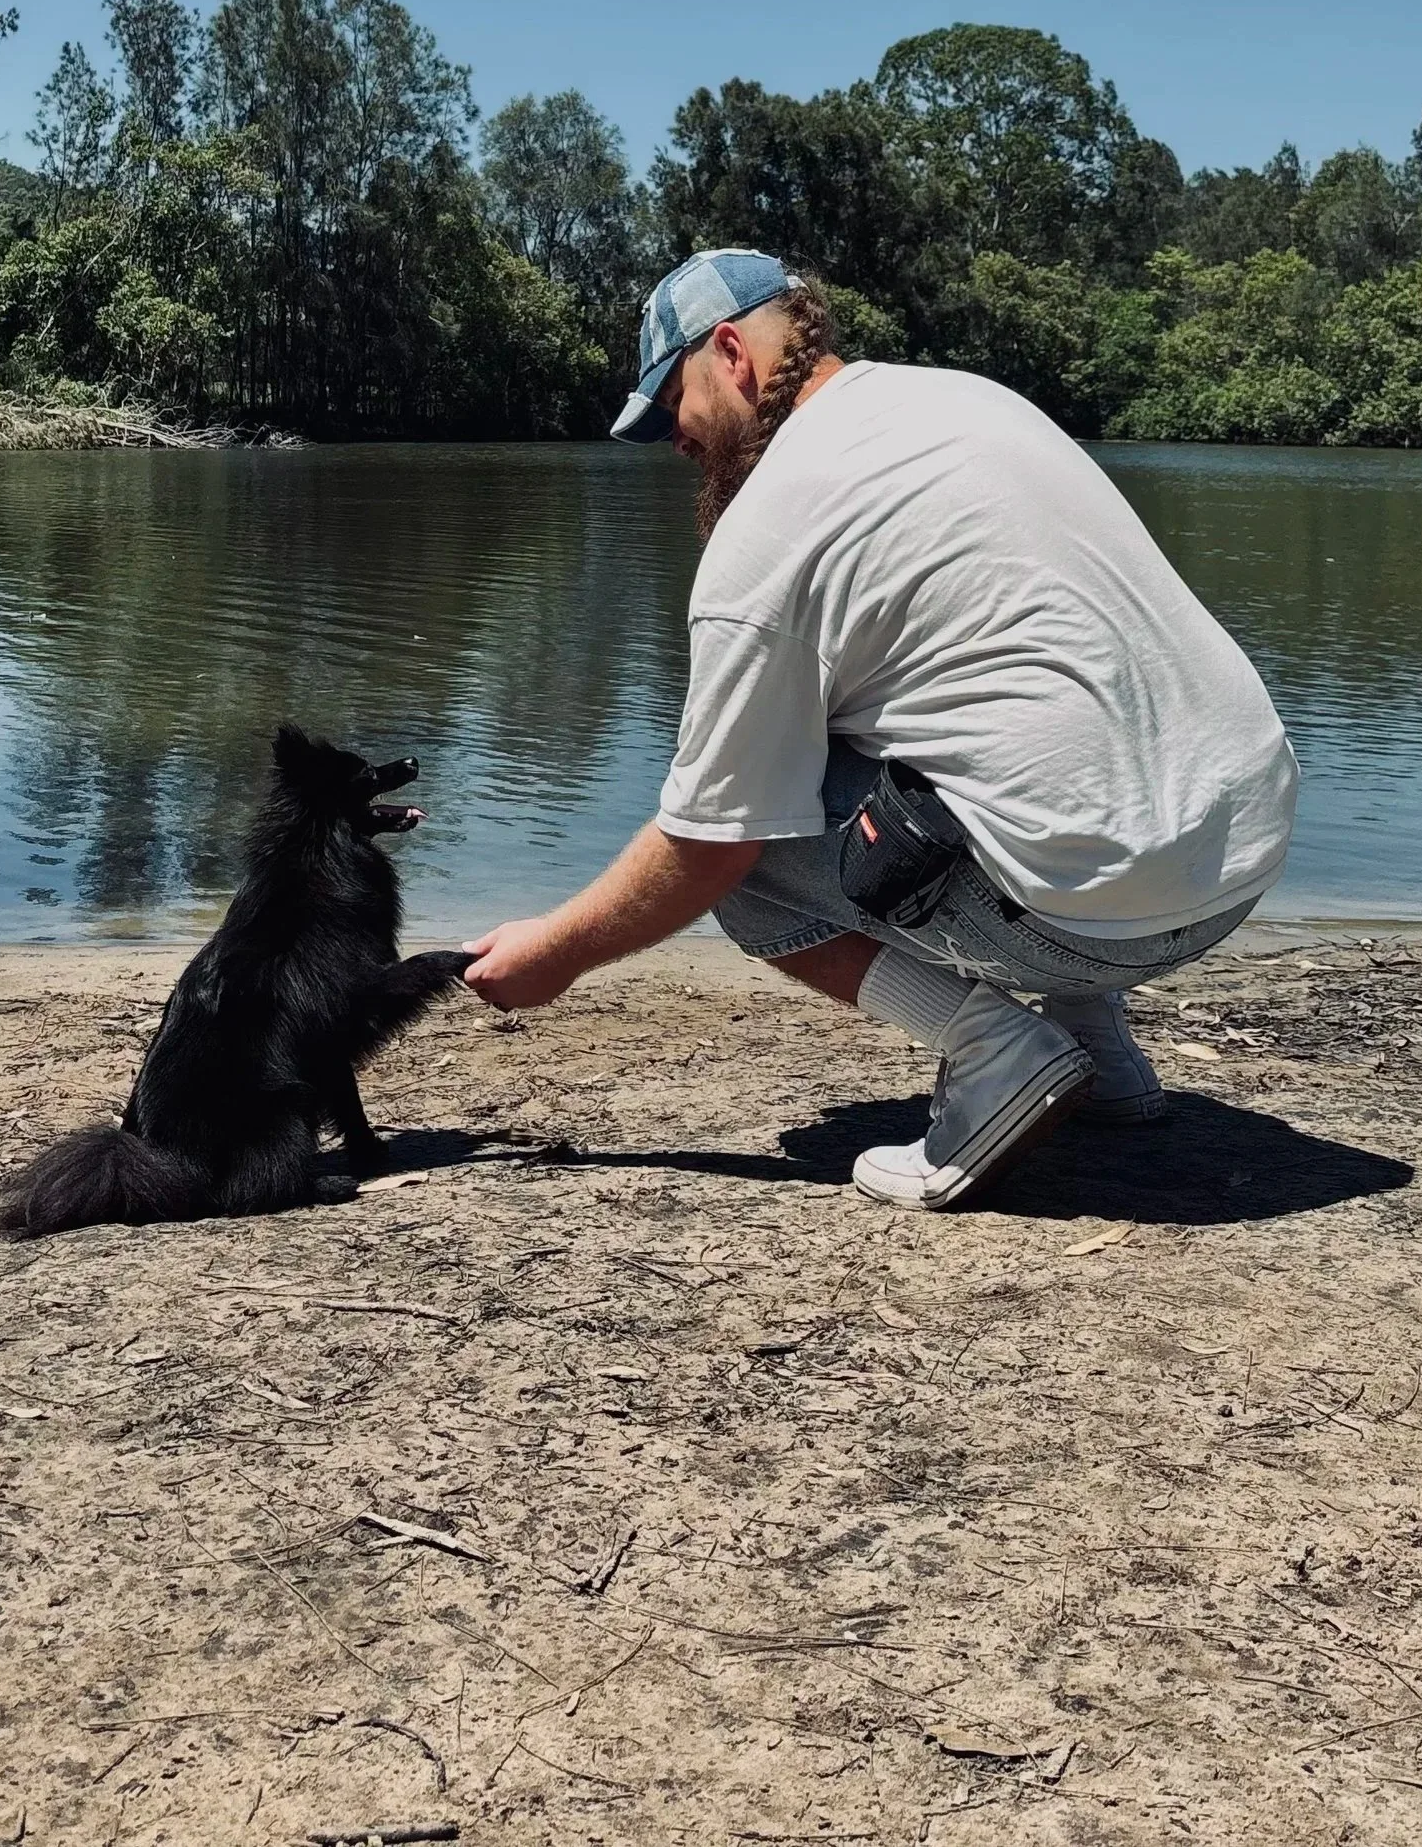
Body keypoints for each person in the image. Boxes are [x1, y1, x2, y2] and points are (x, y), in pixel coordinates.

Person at [462, 249, 1299, 1210]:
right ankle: (1097, 1048)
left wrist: (555, 954)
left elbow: (708, 844)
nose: (673, 443)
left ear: (730, 355)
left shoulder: (767, 535)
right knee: (968, 724)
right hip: (1239, 867)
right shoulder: (965, 400)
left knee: (753, 864)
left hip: (1098, 914)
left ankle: (999, 1051)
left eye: (672, 410)